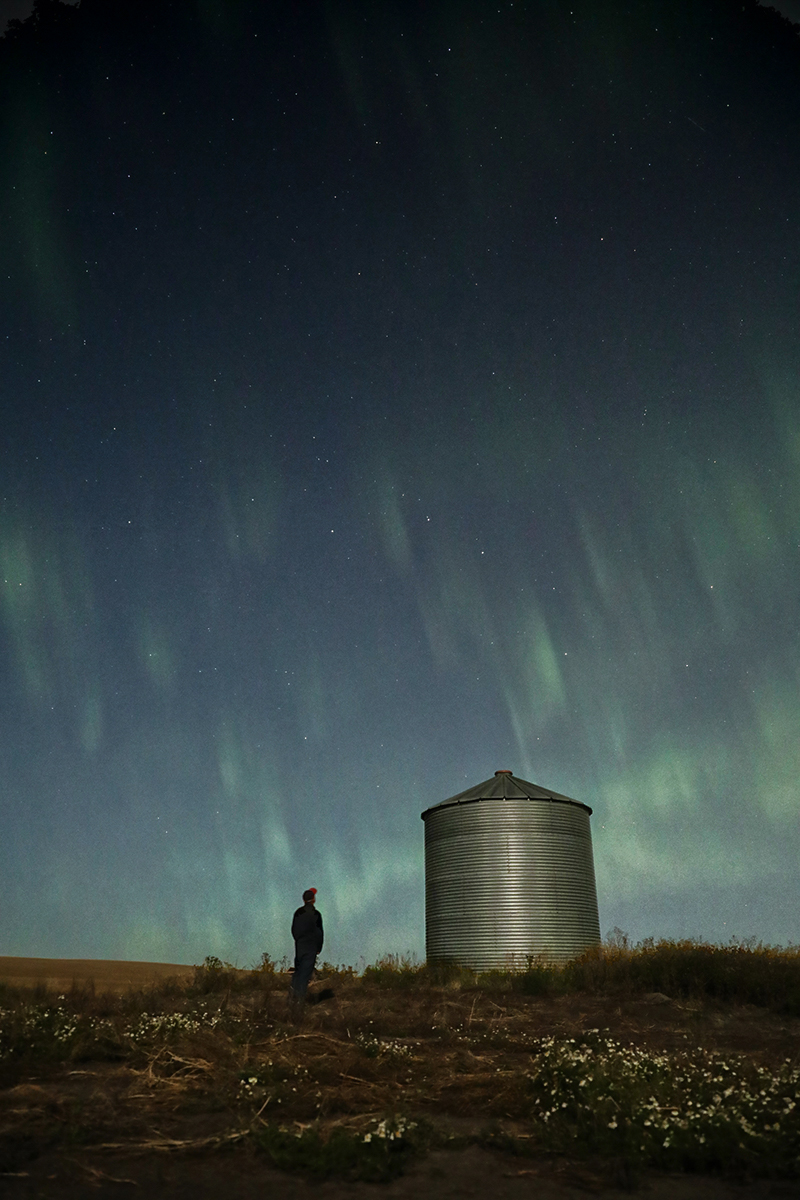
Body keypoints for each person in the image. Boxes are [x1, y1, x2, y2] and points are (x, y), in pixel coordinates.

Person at [290, 887, 323, 1005]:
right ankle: (299, 999)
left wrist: (298, 940)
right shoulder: (316, 914)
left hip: (300, 946)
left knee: (298, 971)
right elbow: (319, 932)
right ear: (313, 899)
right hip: (311, 947)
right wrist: (319, 947)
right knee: (305, 973)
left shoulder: (298, 912)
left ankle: (293, 997)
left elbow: (294, 929)